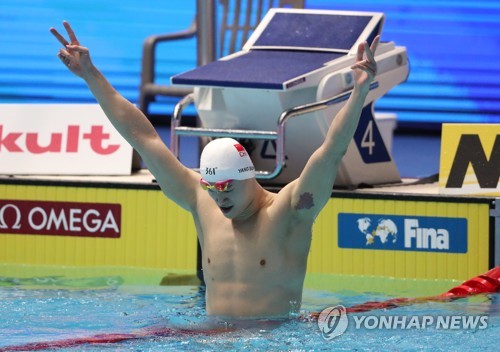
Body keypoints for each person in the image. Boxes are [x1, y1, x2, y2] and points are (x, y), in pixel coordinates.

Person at [50, 21, 379, 319]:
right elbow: (143, 137)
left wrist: (359, 91)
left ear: (248, 176)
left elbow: (331, 151)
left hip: (273, 340)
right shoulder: (200, 199)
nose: (219, 197)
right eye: (212, 186)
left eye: (226, 187)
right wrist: (92, 76)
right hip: (212, 340)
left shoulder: (290, 211)